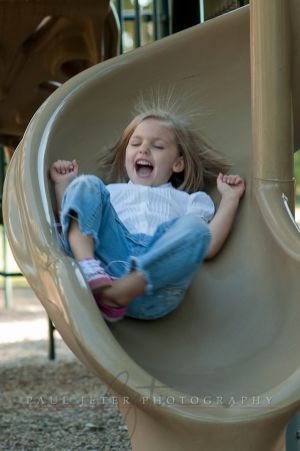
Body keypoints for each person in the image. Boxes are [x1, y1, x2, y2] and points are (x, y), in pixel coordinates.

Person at [50, 110, 245, 322]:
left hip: (157, 287)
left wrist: (230, 199)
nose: (143, 149)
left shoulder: (190, 201)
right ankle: (87, 265)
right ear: (126, 156)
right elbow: (77, 218)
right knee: (86, 183)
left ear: (177, 163)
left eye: (157, 146)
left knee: (196, 228)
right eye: (135, 144)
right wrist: (64, 185)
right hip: (107, 268)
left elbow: (207, 245)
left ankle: (121, 292)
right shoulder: (109, 192)